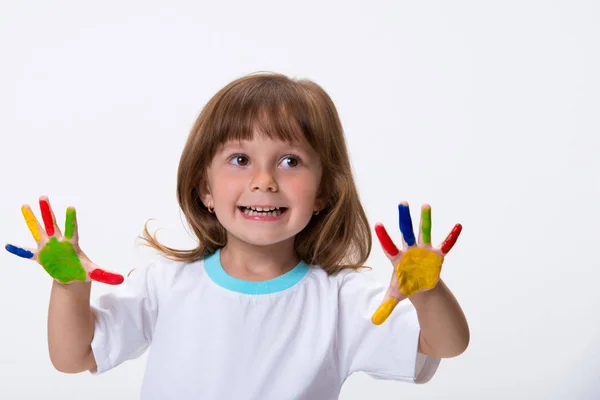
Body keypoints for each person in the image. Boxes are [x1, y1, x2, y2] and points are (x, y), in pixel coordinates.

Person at [5, 72, 469, 399]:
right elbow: (73, 357)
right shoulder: (165, 285)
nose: (264, 180)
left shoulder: (341, 300)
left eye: (290, 161)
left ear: (325, 191)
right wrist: (69, 288)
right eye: (240, 159)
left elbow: (444, 345)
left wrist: (427, 294)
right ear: (204, 188)